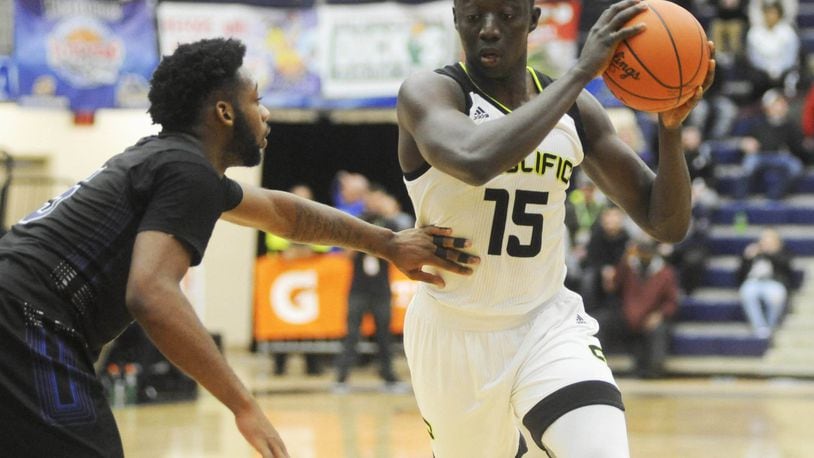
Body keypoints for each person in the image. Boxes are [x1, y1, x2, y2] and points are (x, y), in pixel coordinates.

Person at [0, 38, 479, 458]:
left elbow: (283, 214)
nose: (265, 112)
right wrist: (243, 404)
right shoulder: (185, 169)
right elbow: (151, 293)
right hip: (26, 317)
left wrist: (388, 242)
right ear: (224, 113)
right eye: (257, 100)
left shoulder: (168, 161)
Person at [395, 0, 715, 455]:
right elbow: (474, 159)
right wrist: (581, 71)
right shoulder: (430, 93)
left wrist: (669, 127)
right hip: (454, 333)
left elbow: (666, 222)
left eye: (505, 16)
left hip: (546, 322)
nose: (488, 30)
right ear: (455, 20)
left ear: (533, 19)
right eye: (473, 17)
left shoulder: (577, 111)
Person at [334, 186, 415, 393]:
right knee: (352, 334)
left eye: (380, 199)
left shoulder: (389, 224)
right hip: (358, 289)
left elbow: (402, 243)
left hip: (380, 289)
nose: (375, 203)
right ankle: (341, 379)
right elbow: (347, 254)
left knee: (384, 336)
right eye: (372, 199)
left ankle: (389, 378)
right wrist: (363, 239)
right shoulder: (356, 221)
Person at [598, 239, 679, 378]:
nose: (644, 256)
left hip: (651, 317)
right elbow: (614, 287)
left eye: (647, 253)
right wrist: (624, 260)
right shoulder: (627, 267)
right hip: (626, 316)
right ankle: (596, 365)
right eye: (641, 253)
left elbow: (672, 302)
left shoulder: (666, 272)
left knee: (658, 330)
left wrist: (659, 315)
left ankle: (654, 371)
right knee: (600, 321)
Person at [734, 88, 806, 200]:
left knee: (795, 166)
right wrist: (745, 143)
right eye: (776, 103)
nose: (780, 106)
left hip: (781, 156)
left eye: (781, 103)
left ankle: (775, 196)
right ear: (767, 107)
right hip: (760, 155)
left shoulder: (790, 125)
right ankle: (740, 198)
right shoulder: (757, 122)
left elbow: (799, 146)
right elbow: (745, 140)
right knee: (748, 164)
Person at [736, 228, 794, 338]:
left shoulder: (783, 252)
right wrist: (746, 258)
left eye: (769, 241)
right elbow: (739, 274)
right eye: (764, 241)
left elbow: (787, 269)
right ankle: (760, 327)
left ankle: (771, 326)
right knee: (747, 292)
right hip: (754, 282)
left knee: (775, 296)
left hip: (774, 283)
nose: (766, 244)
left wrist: (769, 253)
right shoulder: (753, 252)